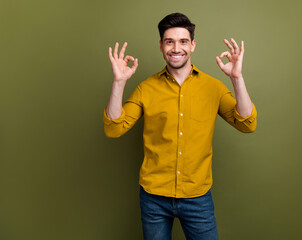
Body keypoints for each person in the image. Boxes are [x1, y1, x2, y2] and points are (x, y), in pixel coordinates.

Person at [103, 12, 257, 240]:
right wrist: (118, 82)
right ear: (161, 46)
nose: (176, 48)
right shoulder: (146, 88)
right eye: (169, 41)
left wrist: (236, 78)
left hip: (197, 196)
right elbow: (114, 128)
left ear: (193, 44)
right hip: (154, 196)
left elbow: (247, 124)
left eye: (183, 41)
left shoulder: (212, 87)